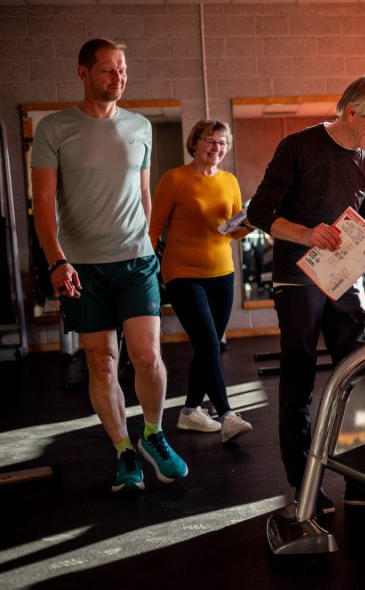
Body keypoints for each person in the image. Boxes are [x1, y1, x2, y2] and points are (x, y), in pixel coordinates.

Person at [247, 72, 365, 511]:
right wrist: (305, 234)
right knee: (299, 378)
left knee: (358, 377)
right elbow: (259, 211)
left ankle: (360, 482)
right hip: (298, 275)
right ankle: (305, 486)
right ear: (351, 112)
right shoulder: (298, 148)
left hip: (345, 276)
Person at [30, 37, 188, 493]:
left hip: (136, 261)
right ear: (83, 73)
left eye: (123, 70)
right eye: (108, 70)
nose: (119, 78)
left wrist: (151, 247)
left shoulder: (140, 126)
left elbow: (143, 193)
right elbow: (43, 202)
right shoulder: (54, 129)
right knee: (101, 363)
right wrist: (57, 261)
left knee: (148, 356)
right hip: (83, 267)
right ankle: (123, 450)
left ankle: (152, 434)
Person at [148, 119, 253, 444]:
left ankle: (190, 410)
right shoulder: (174, 179)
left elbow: (233, 231)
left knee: (208, 345)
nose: (216, 148)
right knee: (209, 344)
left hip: (222, 273)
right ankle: (227, 415)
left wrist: (251, 223)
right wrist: (145, 271)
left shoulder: (229, 180)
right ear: (194, 142)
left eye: (222, 143)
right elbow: (153, 228)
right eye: (210, 140)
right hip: (182, 273)